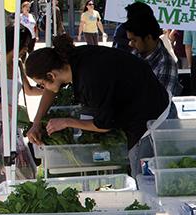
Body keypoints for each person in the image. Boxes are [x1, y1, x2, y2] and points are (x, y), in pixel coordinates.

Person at [24, 34, 170, 177]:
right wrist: (36, 123)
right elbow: (51, 89)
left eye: (42, 84)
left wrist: (67, 122)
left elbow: (104, 125)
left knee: (144, 177)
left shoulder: (89, 79)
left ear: (51, 75)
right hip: (153, 101)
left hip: (152, 119)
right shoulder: (72, 59)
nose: (43, 88)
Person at [0, 25, 42, 186]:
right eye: (25, 44)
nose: (26, 48)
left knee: (26, 173)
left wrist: (49, 89)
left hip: (14, 127)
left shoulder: (18, 64)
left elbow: (29, 90)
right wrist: (2, 107)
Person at [123, 13, 182, 97]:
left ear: (148, 38)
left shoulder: (166, 63)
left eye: (134, 40)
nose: (130, 44)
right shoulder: (135, 54)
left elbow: (161, 103)